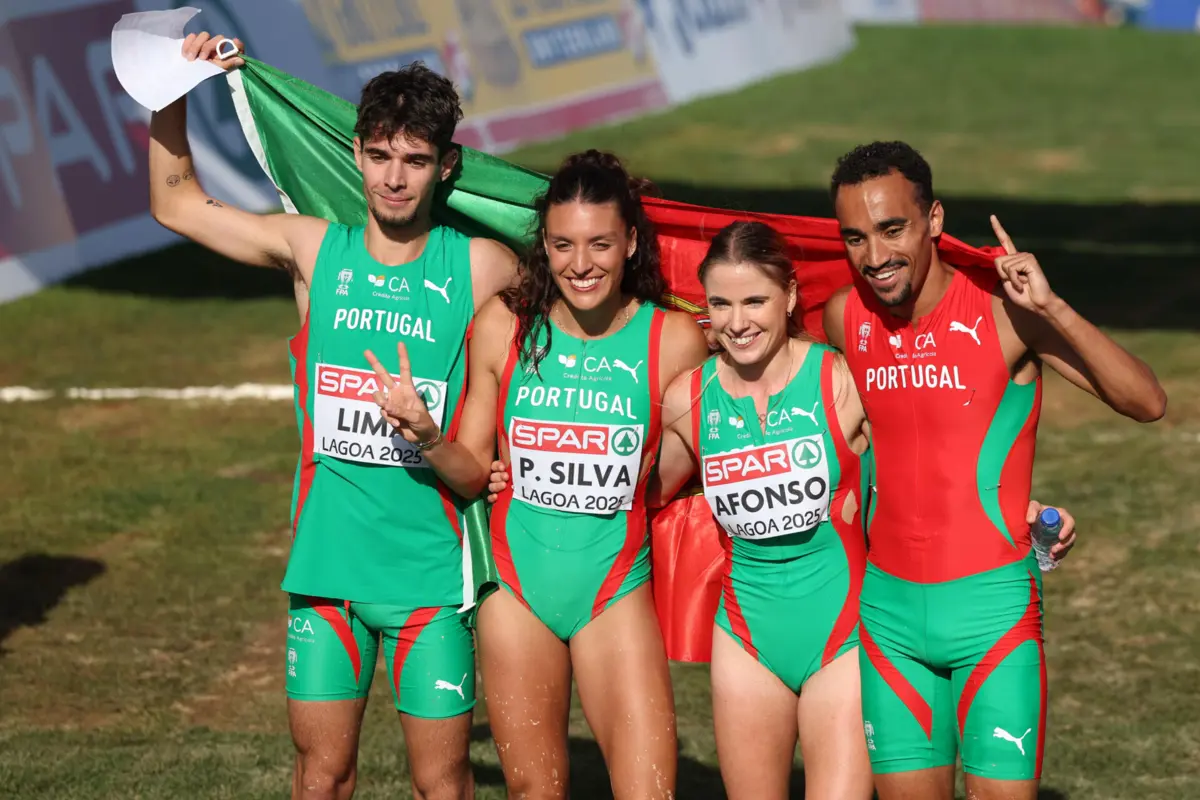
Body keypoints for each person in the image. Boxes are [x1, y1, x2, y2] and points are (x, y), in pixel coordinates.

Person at [149, 33, 518, 800]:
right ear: (355, 154)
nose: (394, 178)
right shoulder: (316, 252)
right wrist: (171, 84)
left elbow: (583, 296)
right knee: (322, 776)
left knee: (441, 783)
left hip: (431, 580)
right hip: (328, 572)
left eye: (415, 160)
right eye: (381, 155)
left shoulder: (482, 266)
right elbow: (174, 204)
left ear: (447, 167)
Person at [822, 141, 1165, 800]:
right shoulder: (845, 317)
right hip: (888, 622)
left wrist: (1052, 306)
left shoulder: (1005, 313)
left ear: (935, 221)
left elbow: (1147, 401)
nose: (874, 256)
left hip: (993, 621)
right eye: (855, 237)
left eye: (893, 229)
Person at [378, 149, 708, 797]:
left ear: (631, 241)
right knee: (535, 792)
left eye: (600, 244)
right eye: (562, 245)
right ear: (544, 246)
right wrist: (427, 435)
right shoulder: (505, 325)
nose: (580, 264)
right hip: (517, 597)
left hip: (613, 593)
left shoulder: (672, 340)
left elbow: (683, 470)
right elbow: (472, 471)